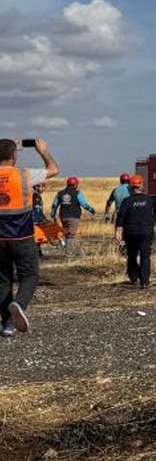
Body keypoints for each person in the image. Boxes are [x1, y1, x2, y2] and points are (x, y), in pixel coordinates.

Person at [0, 138, 59, 336]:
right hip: (22, 237)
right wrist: (43, 151)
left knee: (3, 280)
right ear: (14, 156)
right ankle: (19, 303)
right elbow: (53, 169)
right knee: (30, 275)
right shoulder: (24, 175)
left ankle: (7, 325)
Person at [114, 175, 154, 289]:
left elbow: (121, 217)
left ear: (130, 187)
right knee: (145, 256)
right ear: (142, 185)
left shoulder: (127, 201)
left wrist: (118, 231)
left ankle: (134, 278)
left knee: (131, 256)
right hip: (146, 232)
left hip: (131, 232)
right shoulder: (150, 199)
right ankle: (145, 282)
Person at [51, 176, 95, 254]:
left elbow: (54, 205)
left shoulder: (60, 193)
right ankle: (69, 252)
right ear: (76, 184)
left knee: (67, 233)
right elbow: (84, 204)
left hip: (63, 217)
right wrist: (91, 210)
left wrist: (52, 216)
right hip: (74, 217)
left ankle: (65, 245)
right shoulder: (78, 193)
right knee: (71, 235)